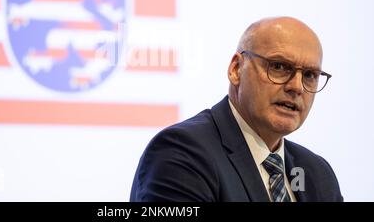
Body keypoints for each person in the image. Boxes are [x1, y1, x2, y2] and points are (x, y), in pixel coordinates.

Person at [130, 16, 343, 202]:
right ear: (235, 69)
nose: (296, 87)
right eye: (278, 67)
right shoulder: (180, 153)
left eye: (310, 75)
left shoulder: (317, 174)